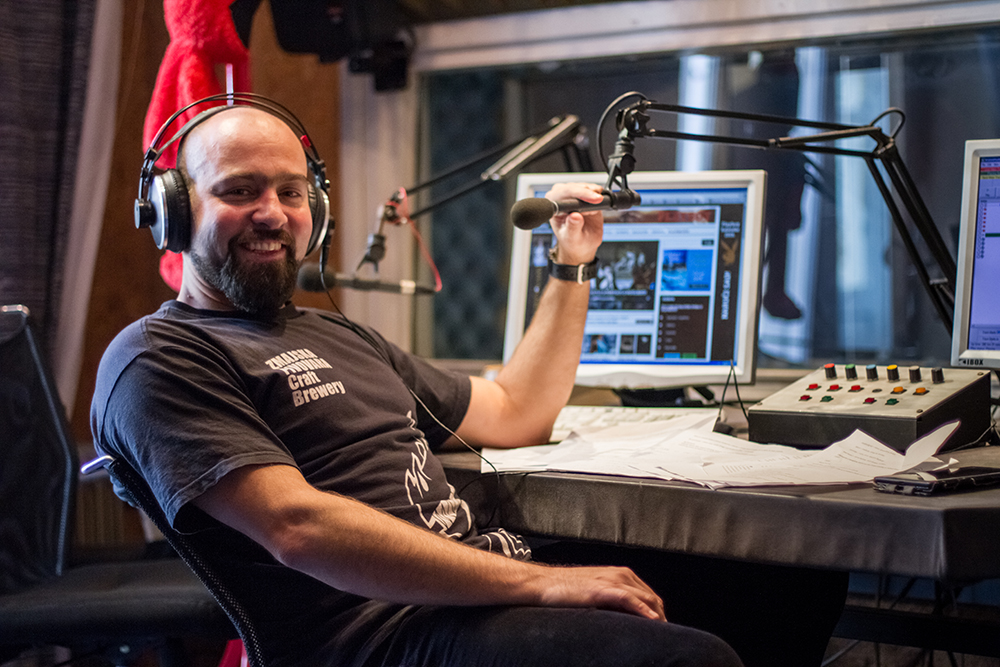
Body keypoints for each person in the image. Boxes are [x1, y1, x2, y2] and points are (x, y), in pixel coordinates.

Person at [91, 103, 743, 667]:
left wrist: (572, 260)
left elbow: (516, 411)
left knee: (760, 588)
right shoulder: (157, 358)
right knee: (687, 658)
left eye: (292, 192)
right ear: (175, 211)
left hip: (470, 595)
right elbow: (298, 525)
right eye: (240, 190)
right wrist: (545, 584)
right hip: (382, 636)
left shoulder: (337, 333)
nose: (273, 214)